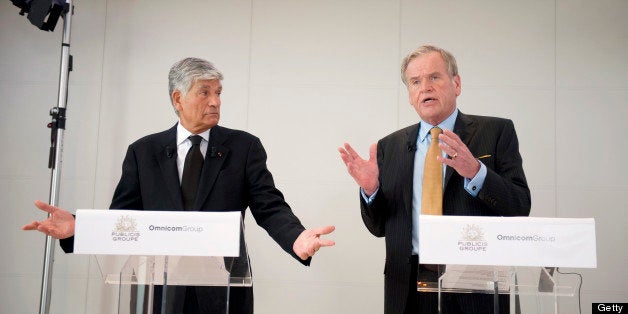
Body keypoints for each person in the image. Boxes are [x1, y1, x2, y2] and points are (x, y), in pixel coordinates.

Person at [23, 57, 335, 314]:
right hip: (157, 293)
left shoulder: (244, 148)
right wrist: (79, 228)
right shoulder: (143, 152)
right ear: (178, 99)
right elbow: (122, 220)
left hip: (224, 291)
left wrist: (296, 238)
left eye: (218, 92)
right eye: (204, 92)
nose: (215, 101)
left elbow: (269, 207)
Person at [338, 45, 531, 314]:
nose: (425, 87)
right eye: (415, 82)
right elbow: (378, 227)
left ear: (457, 84)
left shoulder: (496, 131)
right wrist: (371, 191)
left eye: (434, 77)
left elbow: (519, 206)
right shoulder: (389, 146)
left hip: (475, 281)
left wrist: (476, 171)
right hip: (408, 284)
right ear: (409, 95)